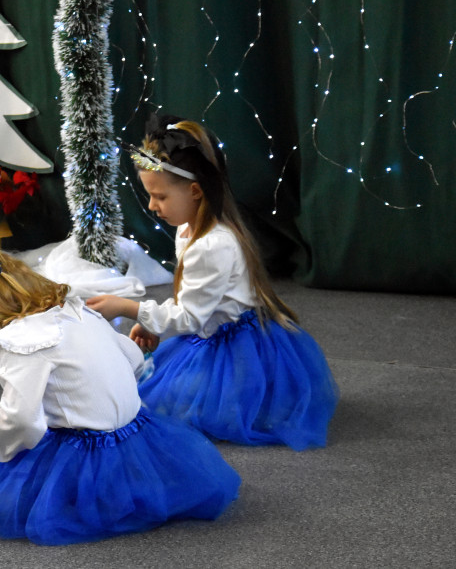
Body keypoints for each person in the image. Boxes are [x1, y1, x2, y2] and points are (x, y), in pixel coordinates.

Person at [0, 245, 240, 545]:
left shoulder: (23, 343)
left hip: (87, 453)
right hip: (137, 437)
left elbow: (21, 422)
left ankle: (84, 492)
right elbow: (132, 359)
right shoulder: (74, 311)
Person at [87, 115, 338, 450]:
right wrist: (152, 323)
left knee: (179, 407)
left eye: (159, 196)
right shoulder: (189, 229)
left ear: (194, 191)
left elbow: (190, 318)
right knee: (162, 395)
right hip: (210, 328)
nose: (151, 206)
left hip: (233, 346)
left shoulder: (211, 245)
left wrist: (129, 308)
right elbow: (194, 302)